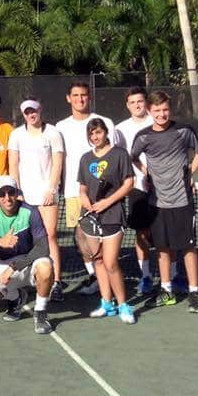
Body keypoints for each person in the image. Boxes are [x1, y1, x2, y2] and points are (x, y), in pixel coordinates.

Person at [130, 90, 198, 313]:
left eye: (165, 110)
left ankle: (194, 292)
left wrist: (189, 173)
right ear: (149, 111)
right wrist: (146, 172)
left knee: (188, 247)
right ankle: (167, 291)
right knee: (162, 248)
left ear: (169, 109)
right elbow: (133, 157)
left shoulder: (183, 131)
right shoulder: (143, 136)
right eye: (157, 110)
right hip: (157, 202)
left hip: (183, 200)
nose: (161, 114)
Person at [55, 81, 117, 298]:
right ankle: (95, 276)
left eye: (83, 95)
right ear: (68, 98)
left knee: (106, 236)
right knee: (81, 236)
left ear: (89, 97)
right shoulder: (60, 127)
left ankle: (108, 273)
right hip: (74, 192)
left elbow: (114, 154)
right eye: (75, 95)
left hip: (105, 194)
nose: (80, 99)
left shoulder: (105, 122)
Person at [0, 176, 55, 335]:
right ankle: (16, 298)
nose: (7, 198)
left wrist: (14, 267)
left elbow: (43, 248)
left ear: (17, 193)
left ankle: (40, 312)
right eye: (2, 193)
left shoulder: (31, 211)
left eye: (11, 192)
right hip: (4, 264)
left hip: (30, 262)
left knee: (46, 267)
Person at [77, 118, 136, 324]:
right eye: (91, 134)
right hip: (91, 217)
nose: (95, 137)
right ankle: (107, 303)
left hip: (113, 215)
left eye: (98, 132)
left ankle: (123, 305)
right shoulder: (85, 159)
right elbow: (82, 188)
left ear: (105, 133)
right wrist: (86, 202)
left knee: (111, 262)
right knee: (99, 261)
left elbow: (129, 183)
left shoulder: (120, 154)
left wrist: (107, 202)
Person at [7, 98, 65, 300]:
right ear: (23, 114)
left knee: (50, 236)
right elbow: (13, 164)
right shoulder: (16, 135)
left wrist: (51, 189)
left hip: (47, 196)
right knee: (25, 239)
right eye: (27, 112)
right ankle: (28, 280)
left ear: (40, 110)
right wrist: (17, 191)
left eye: (34, 111)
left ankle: (56, 282)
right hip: (24, 196)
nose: (31, 115)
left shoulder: (53, 133)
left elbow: (58, 164)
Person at [114, 87, 157, 294]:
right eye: (133, 102)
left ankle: (173, 275)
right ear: (127, 105)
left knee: (165, 233)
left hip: (164, 187)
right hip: (137, 187)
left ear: (145, 102)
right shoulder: (120, 129)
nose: (137, 105)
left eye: (140, 101)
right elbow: (119, 157)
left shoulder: (157, 120)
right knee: (141, 233)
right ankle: (146, 276)